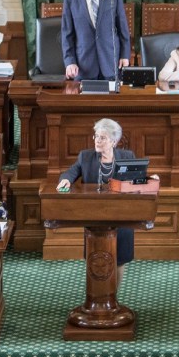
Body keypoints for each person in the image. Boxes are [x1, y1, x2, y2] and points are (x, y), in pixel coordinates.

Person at [56, 118, 134, 286]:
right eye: (96, 136)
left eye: (102, 137)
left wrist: (150, 178)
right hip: (94, 216)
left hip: (122, 215)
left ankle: (113, 296)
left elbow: (137, 179)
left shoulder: (127, 157)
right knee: (95, 258)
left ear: (113, 141)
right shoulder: (86, 157)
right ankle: (96, 297)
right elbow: (70, 172)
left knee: (119, 259)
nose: (97, 140)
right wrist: (66, 181)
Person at [61, 0, 130, 81]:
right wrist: (70, 61)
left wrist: (125, 55)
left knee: (112, 100)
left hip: (111, 62)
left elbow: (122, 28)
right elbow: (67, 35)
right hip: (84, 66)